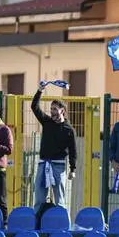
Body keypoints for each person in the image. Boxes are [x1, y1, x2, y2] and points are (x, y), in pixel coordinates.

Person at [31, 85, 78, 224]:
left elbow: (73, 151)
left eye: (55, 109)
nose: (52, 112)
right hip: (43, 164)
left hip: (59, 166)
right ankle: (36, 223)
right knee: (39, 196)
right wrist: (39, 90)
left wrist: (73, 169)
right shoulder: (47, 122)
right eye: (51, 109)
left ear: (62, 110)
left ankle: (62, 224)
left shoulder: (69, 130)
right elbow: (34, 107)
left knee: (60, 197)